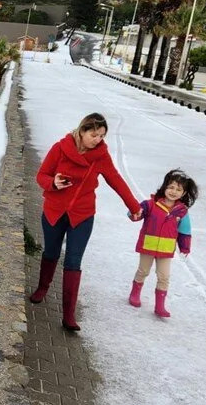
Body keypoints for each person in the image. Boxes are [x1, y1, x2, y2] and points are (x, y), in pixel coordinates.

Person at [30, 113, 142, 332]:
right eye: (93, 134)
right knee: (51, 252)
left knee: (73, 260)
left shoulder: (100, 155)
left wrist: (134, 206)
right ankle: (43, 288)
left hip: (82, 215)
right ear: (82, 131)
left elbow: (115, 179)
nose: (97, 140)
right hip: (54, 211)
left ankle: (68, 315)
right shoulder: (60, 148)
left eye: (101, 136)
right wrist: (52, 182)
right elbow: (41, 175)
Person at [128, 169, 198, 318]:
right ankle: (135, 293)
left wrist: (185, 246)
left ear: (184, 194)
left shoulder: (181, 212)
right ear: (165, 187)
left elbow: (185, 231)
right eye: (171, 187)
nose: (173, 192)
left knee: (164, 276)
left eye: (178, 190)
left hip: (166, 250)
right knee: (143, 271)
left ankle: (160, 306)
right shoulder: (151, 204)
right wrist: (133, 213)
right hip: (148, 245)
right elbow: (136, 213)